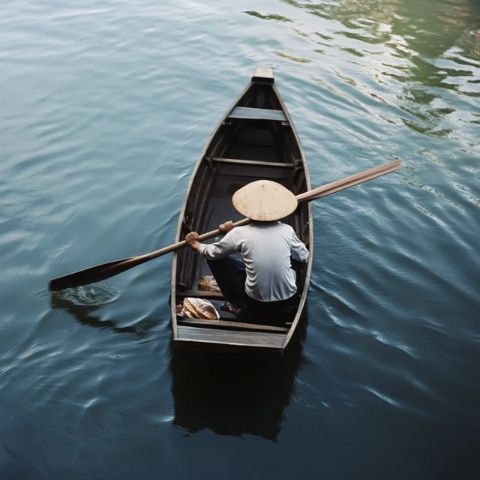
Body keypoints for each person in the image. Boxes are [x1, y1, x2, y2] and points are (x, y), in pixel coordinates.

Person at [185, 180, 309, 317]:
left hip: (254, 301)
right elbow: (304, 256)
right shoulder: (287, 230)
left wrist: (196, 245)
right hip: (289, 299)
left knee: (214, 260)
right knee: (295, 259)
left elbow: (213, 253)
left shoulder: (239, 233)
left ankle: (236, 305)